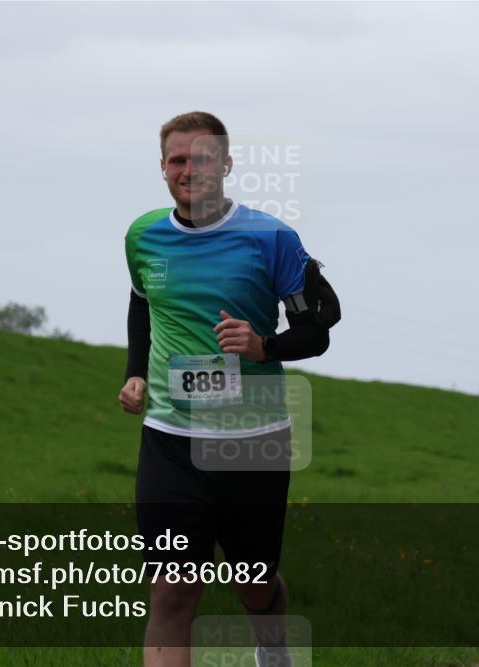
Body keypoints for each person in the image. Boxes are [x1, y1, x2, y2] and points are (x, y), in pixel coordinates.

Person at [118, 111, 338, 667]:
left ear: (227, 165)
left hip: (253, 441)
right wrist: (135, 372)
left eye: (202, 159)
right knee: (172, 591)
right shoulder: (143, 236)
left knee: (254, 586)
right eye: (177, 160)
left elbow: (317, 331)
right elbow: (142, 304)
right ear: (162, 167)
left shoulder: (271, 238)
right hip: (170, 438)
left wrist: (264, 346)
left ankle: (273, 645)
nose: (189, 170)